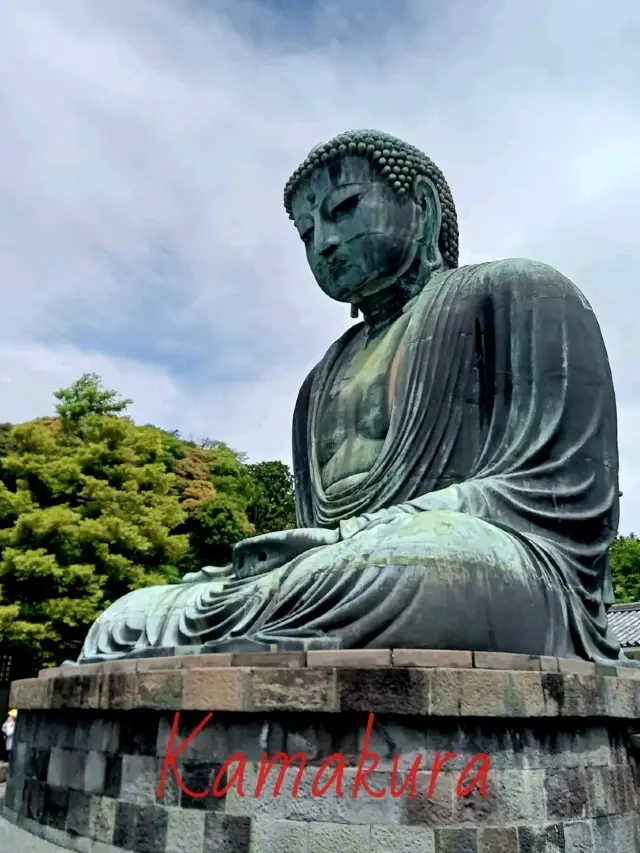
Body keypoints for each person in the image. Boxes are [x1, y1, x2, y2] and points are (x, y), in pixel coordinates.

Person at [74, 129, 633, 667]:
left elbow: (563, 494)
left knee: (417, 564)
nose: (326, 242)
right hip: (340, 568)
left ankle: (288, 615)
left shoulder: (519, 291)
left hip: (494, 568)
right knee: (127, 617)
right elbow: (316, 536)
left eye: (343, 210)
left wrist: (362, 535)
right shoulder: (318, 381)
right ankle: (268, 623)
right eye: (307, 233)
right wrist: (313, 551)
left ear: (421, 207)